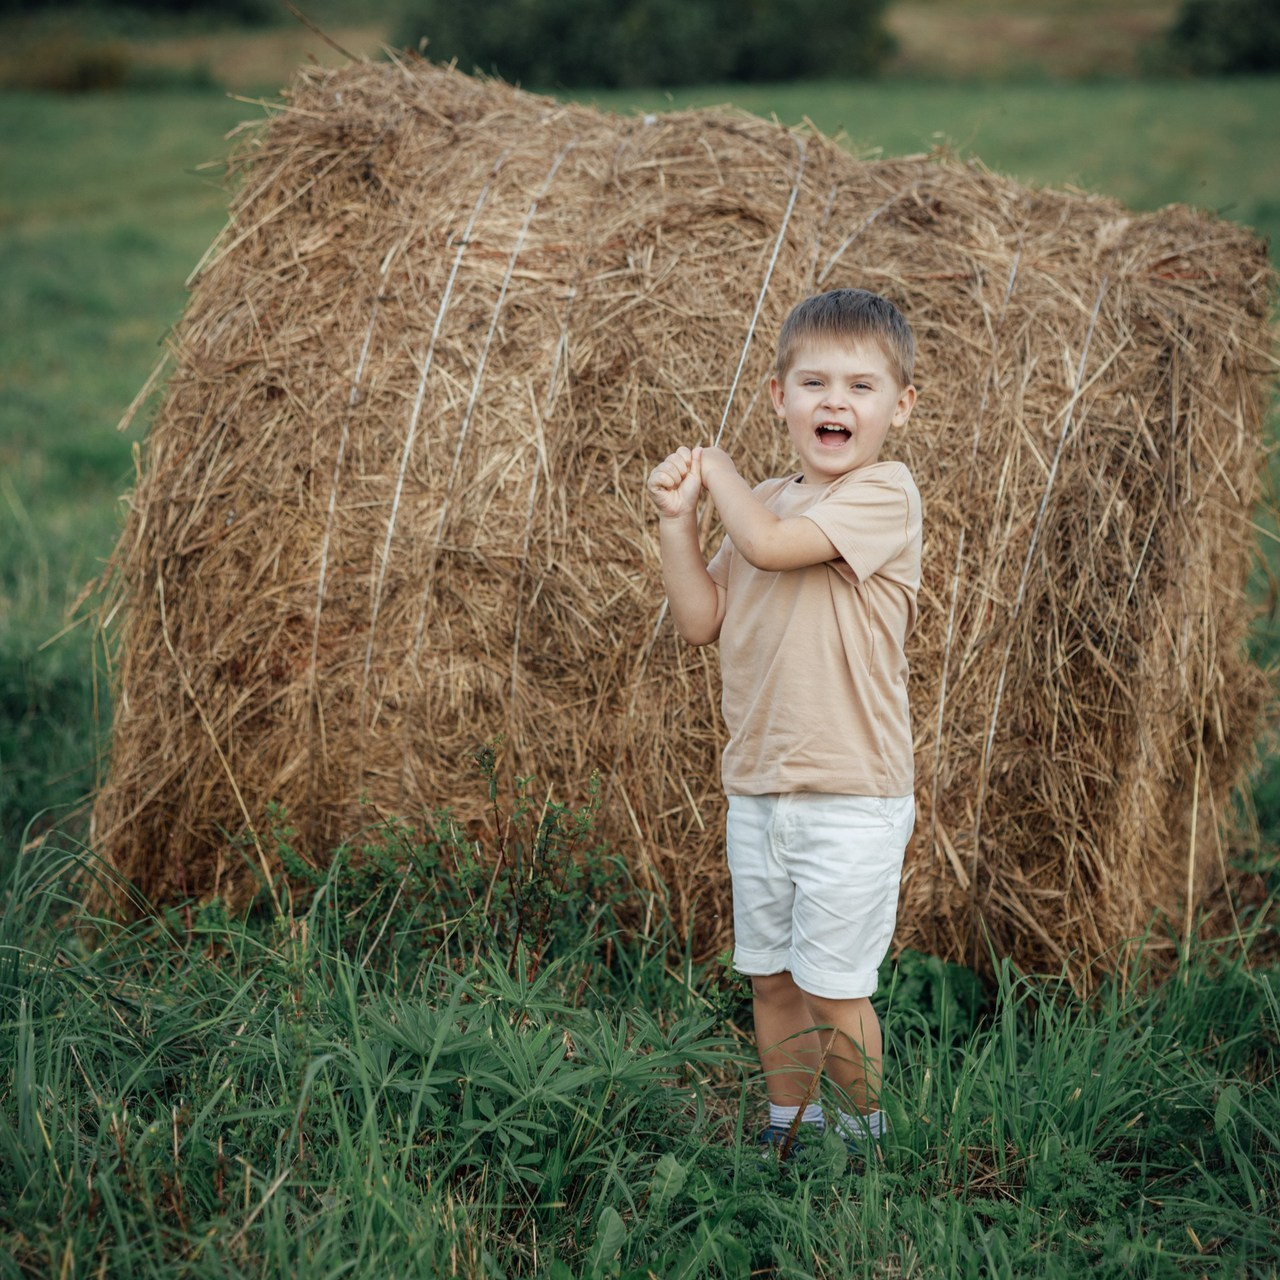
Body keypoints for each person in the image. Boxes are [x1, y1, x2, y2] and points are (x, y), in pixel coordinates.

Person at [645, 287, 921, 1157]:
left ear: (900, 407)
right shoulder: (764, 498)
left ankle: (868, 1142)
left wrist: (716, 470)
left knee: (833, 986)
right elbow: (702, 619)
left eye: (861, 386)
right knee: (770, 977)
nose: (836, 401)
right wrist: (677, 523)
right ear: (779, 396)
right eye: (814, 383)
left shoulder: (883, 495)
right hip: (760, 789)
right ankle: (790, 1128)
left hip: (850, 795)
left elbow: (768, 545)